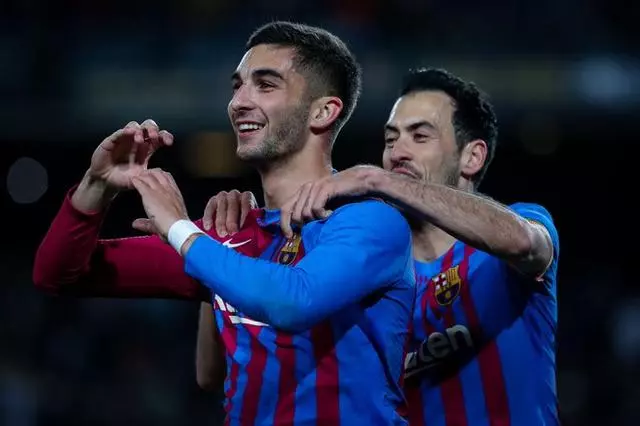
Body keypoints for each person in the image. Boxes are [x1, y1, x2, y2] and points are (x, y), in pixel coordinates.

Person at [33, 22, 416, 425]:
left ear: (323, 112)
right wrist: (97, 185)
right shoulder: (227, 238)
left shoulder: (371, 221)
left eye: (265, 85)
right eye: (237, 86)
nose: (238, 102)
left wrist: (180, 229)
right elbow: (59, 273)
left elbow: (294, 301)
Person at [200, 68, 560, 425]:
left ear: (472, 157)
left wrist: (375, 179)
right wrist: (228, 241)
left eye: (420, 136)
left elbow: (524, 243)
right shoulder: (361, 270)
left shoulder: (515, 232)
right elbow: (210, 373)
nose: (397, 152)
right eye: (390, 139)